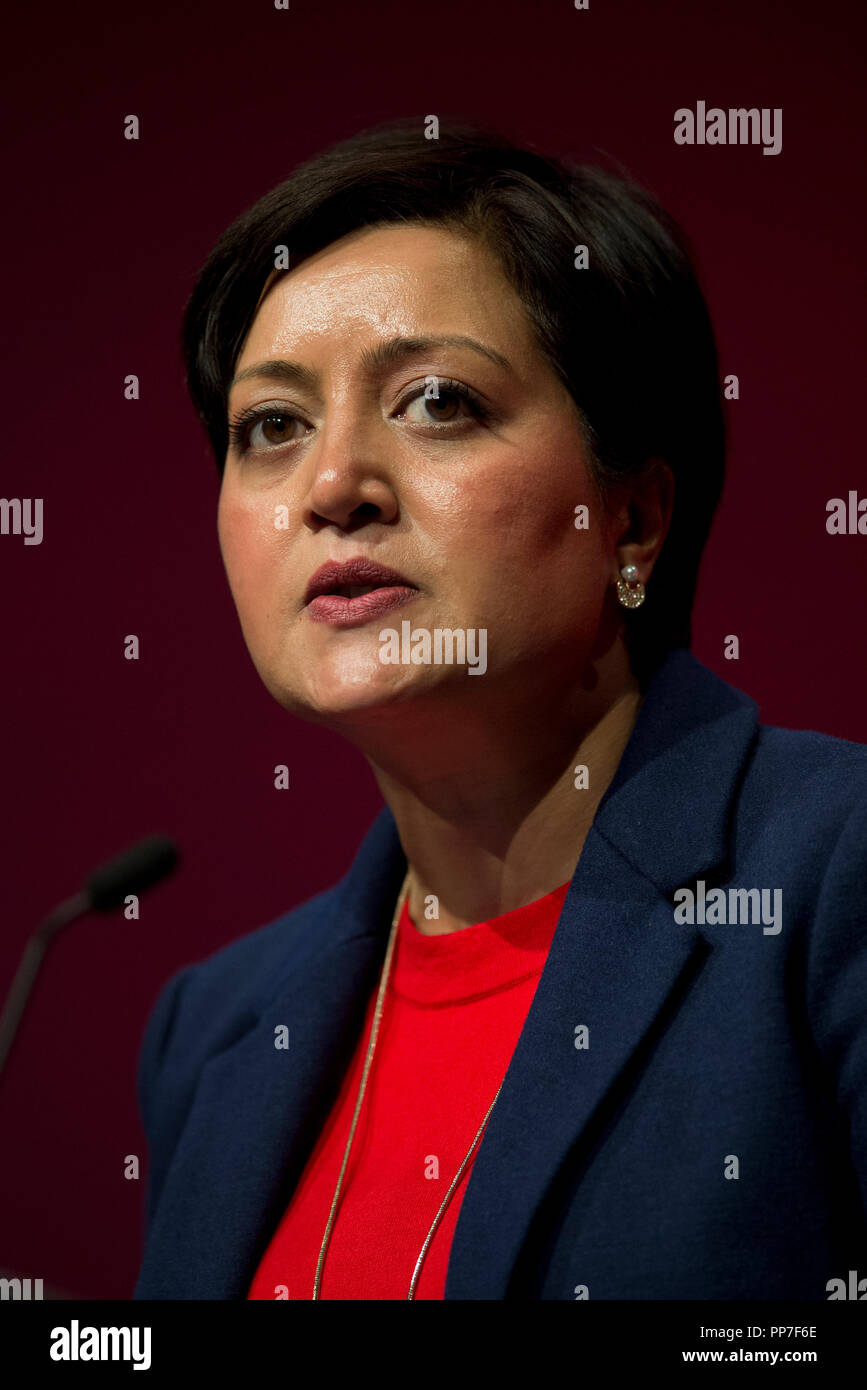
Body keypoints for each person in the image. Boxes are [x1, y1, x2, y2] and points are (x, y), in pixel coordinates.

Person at [133, 118, 867, 1300]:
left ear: (631, 520)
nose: (332, 487)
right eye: (272, 426)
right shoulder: (214, 1027)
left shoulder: (832, 880)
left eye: (434, 401)